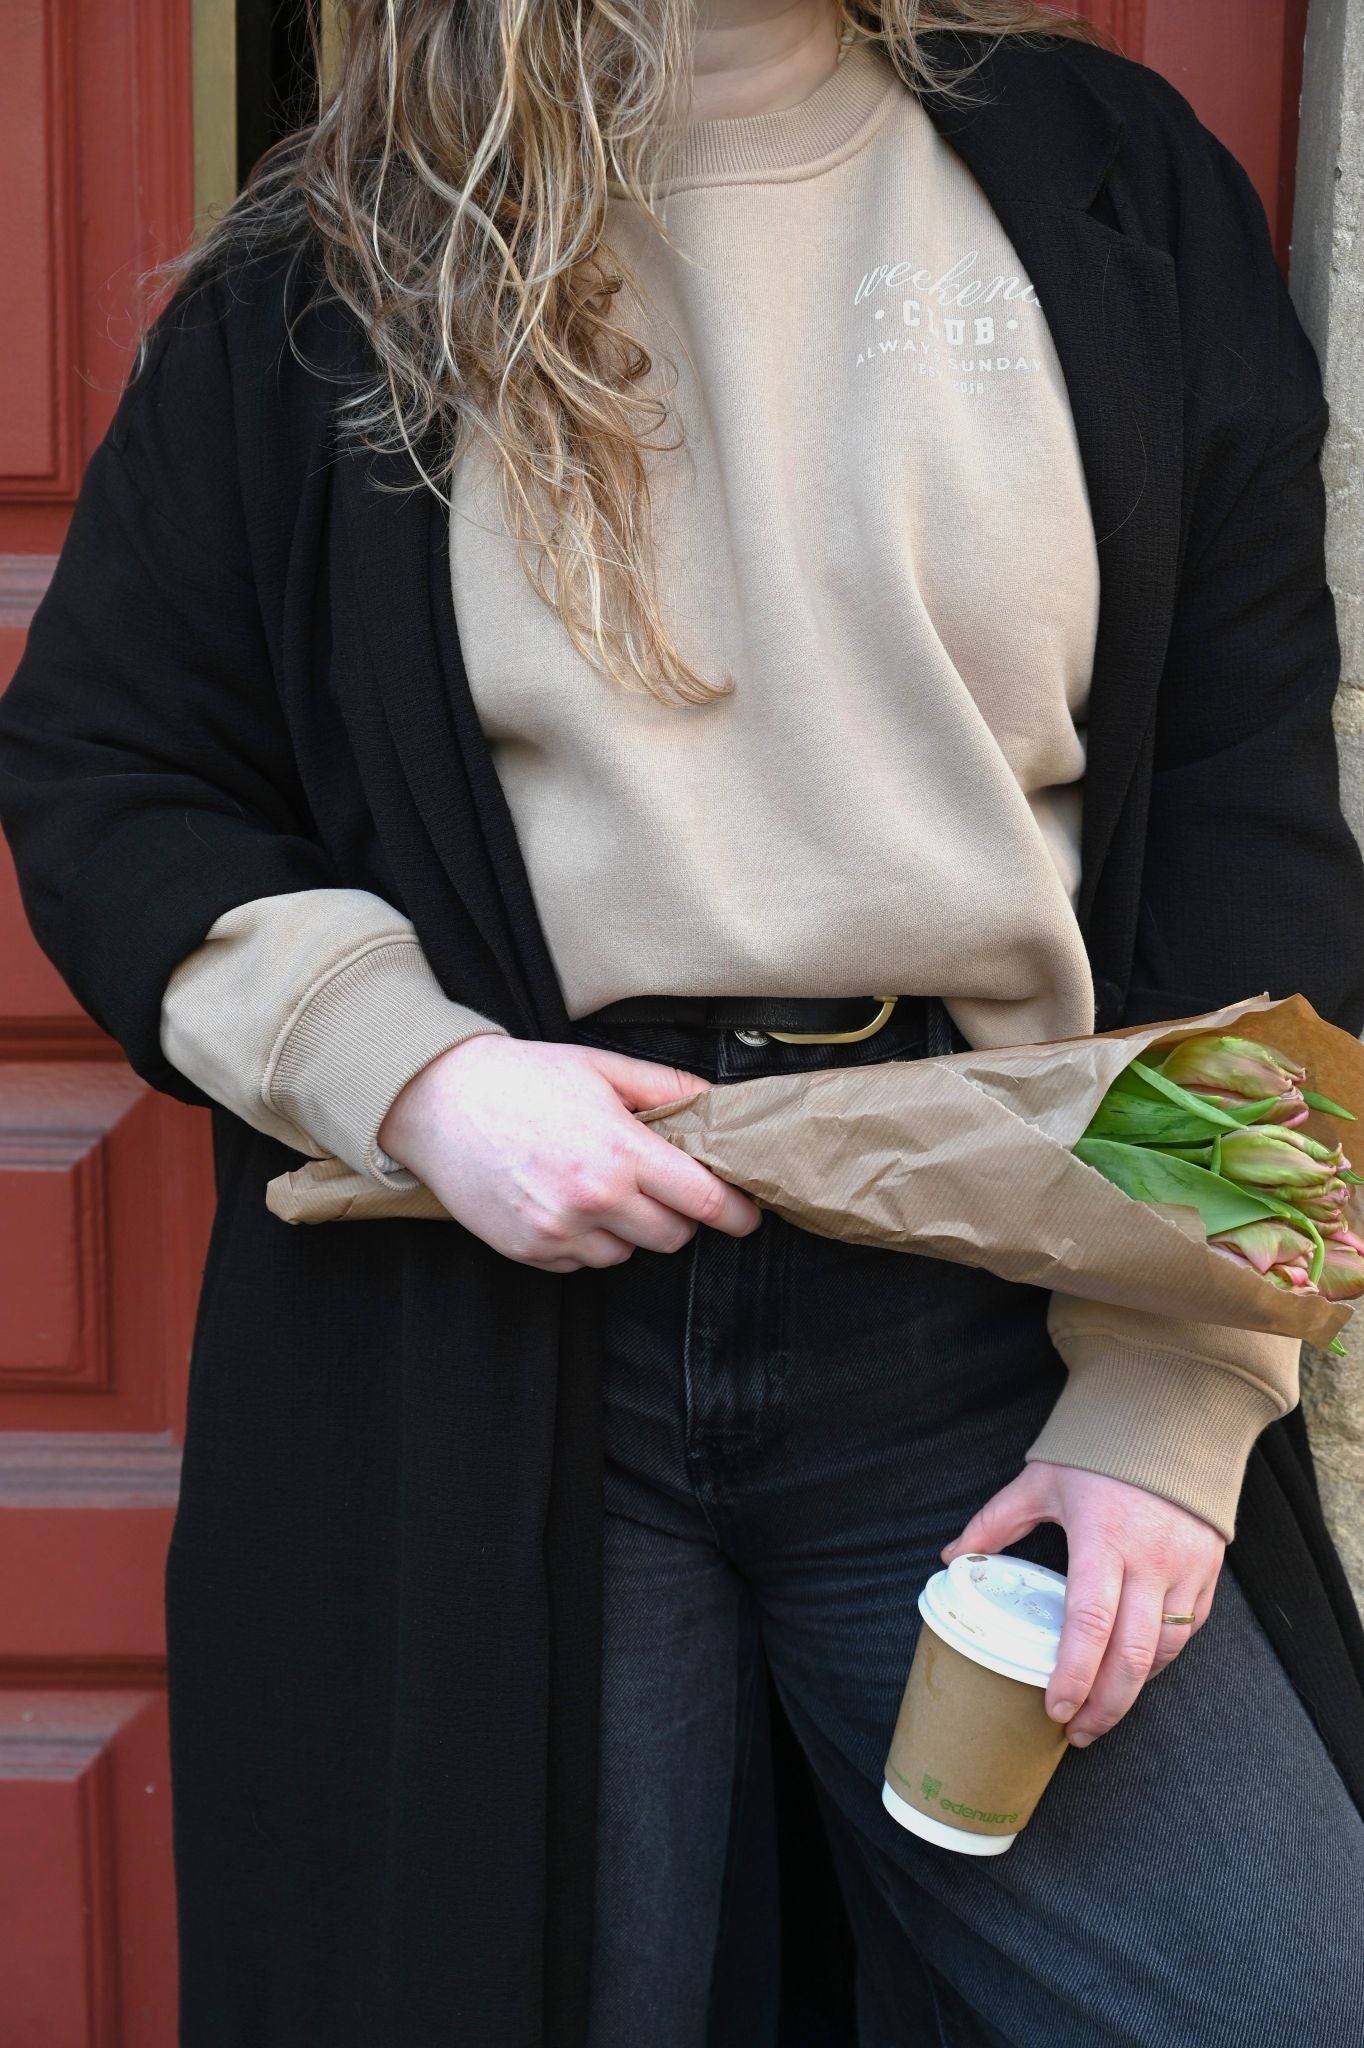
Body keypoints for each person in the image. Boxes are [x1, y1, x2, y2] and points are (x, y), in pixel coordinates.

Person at [2, 1, 1363, 2041]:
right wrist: (419, 1076)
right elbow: (114, 770)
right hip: (495, 1336)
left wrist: (1173, 1405)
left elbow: (1249, 824)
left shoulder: (1107, 181)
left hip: (988, 1305)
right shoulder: (333, 271)